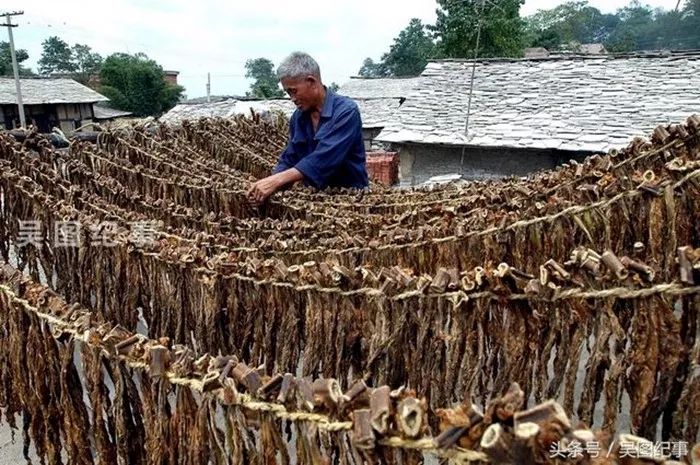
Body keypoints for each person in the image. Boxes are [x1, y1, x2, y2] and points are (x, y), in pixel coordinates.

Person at [247, 52, 368, 205]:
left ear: (311, 81)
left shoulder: (346, 112)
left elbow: (324, 159)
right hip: (316, 201)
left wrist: (277, 181)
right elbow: (290, 157)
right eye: (288, 93)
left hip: (351, 200)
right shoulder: (298, 118)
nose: (292, 98)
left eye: (293, 91)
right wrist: (269, 184)